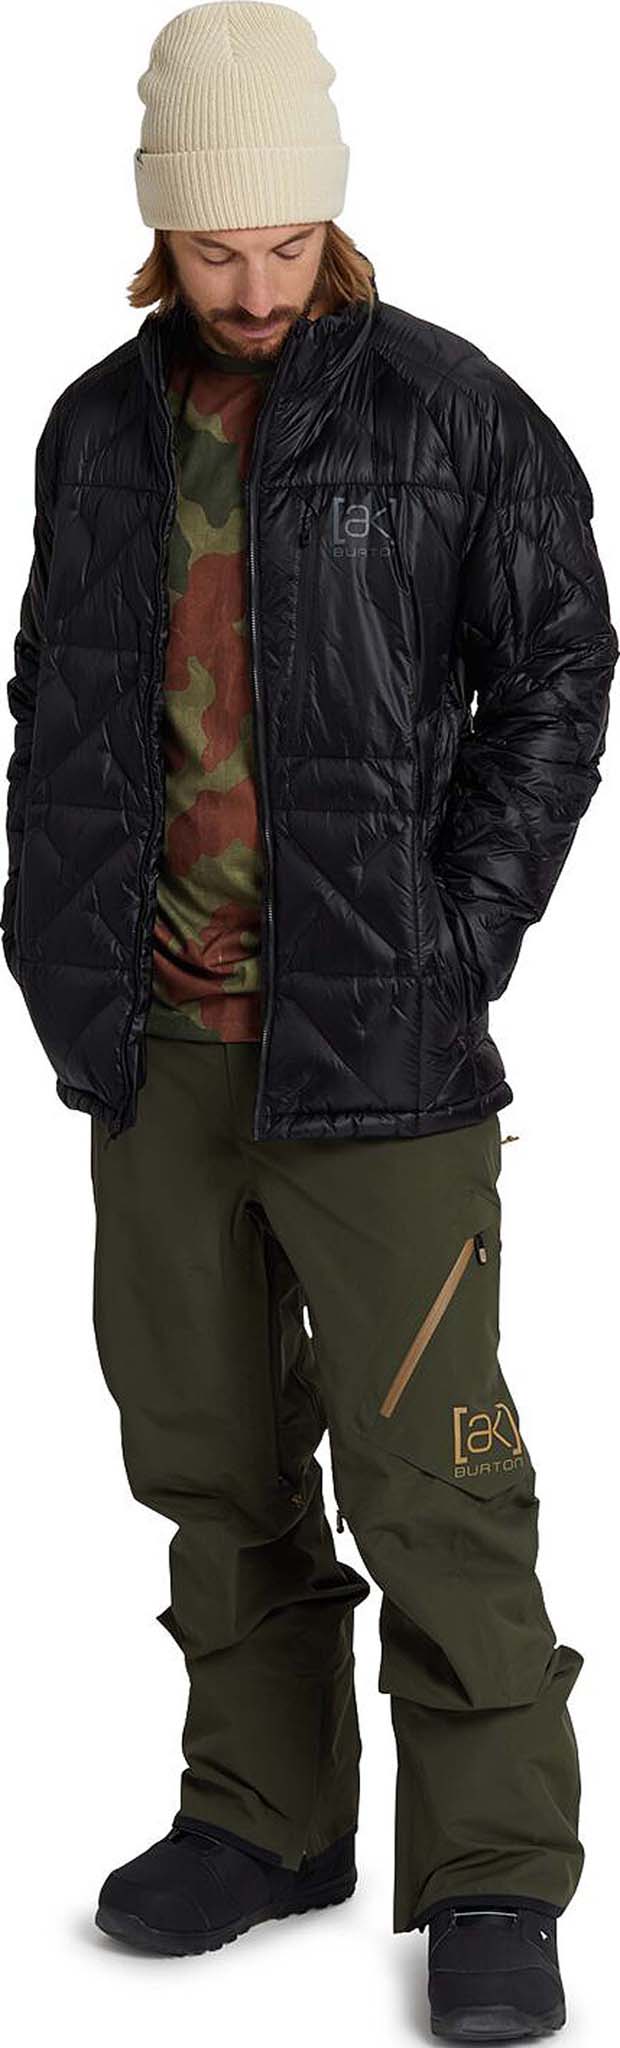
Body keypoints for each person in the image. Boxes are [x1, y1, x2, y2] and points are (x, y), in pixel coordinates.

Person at [2, 3, 617, 2036]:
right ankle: (263, 1816)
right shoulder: (95, 430)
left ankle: (496, 1866)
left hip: (382, 1052)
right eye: (215, 251)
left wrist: (459, 928)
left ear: (328, 223)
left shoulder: (450, 411)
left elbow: (558, 669)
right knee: (208, 1458)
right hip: (157, 1050)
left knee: (434, 1471)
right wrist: (50, 935)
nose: (254, 287)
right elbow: (56, 692)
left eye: (282, 245)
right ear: (159, 234)